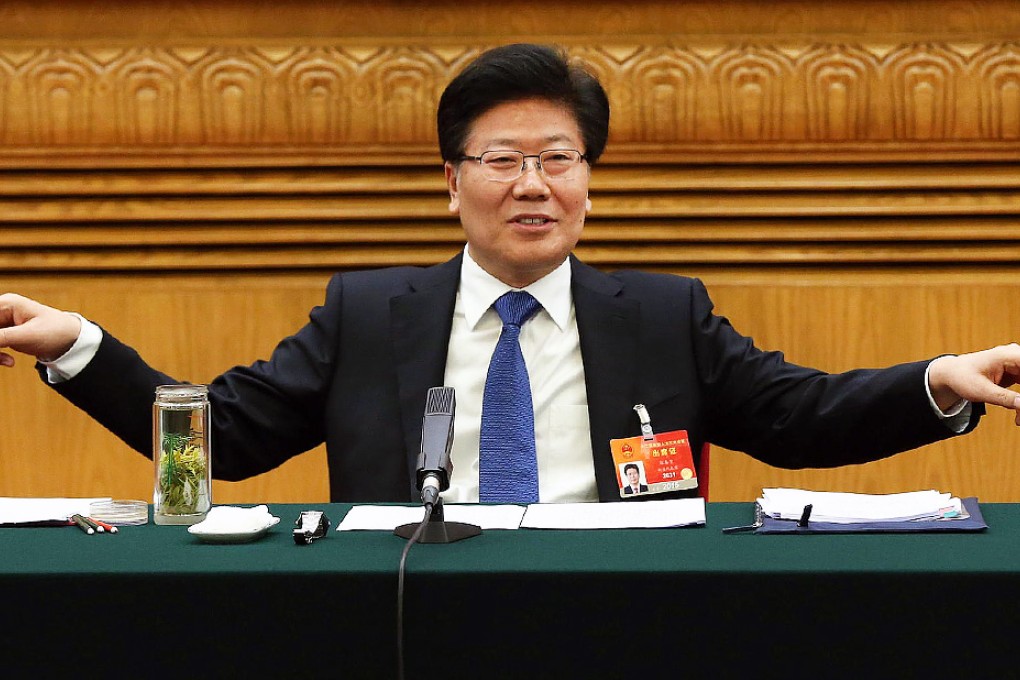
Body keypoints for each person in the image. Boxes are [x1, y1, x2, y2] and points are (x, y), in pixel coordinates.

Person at [3, 43, 1020, 505]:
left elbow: (803, 417)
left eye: (558, 158)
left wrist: (938, 381)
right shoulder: (368, 312)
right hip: (408, 613)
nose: (532, 185)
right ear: (453, 182)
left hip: (626, 620)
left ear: (587, 179)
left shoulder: (666, 314)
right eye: (502, 160)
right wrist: (80, 349)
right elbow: (226, 439)